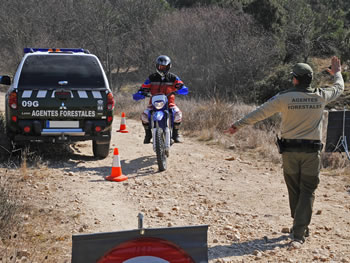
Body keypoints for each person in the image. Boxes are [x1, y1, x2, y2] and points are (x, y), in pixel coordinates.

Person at [224, 56, 344, 244]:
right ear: (310, 79)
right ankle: (299, 230)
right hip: (311, 153)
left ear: (295, 79)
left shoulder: (284, 97)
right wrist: (337, 73)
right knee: (308, 189)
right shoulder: (321, 96)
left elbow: (260, 112)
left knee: (294, 188)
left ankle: (299, 227)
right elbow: (339, 88)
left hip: (289, 152)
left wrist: (237, 125)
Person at [139, 55, 185, 144]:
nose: (162, 69)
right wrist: (141, 92)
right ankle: (148, 134)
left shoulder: (173, 77)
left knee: (178, 114)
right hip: (153, 104)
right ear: (157, 66)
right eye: (161, 66)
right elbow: (144, 87)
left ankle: (175, 134)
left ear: (169, 66)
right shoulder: (151, 77)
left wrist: (181, 89)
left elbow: (181, 85)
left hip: (169, 103)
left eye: (165, 67)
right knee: (144, 116)